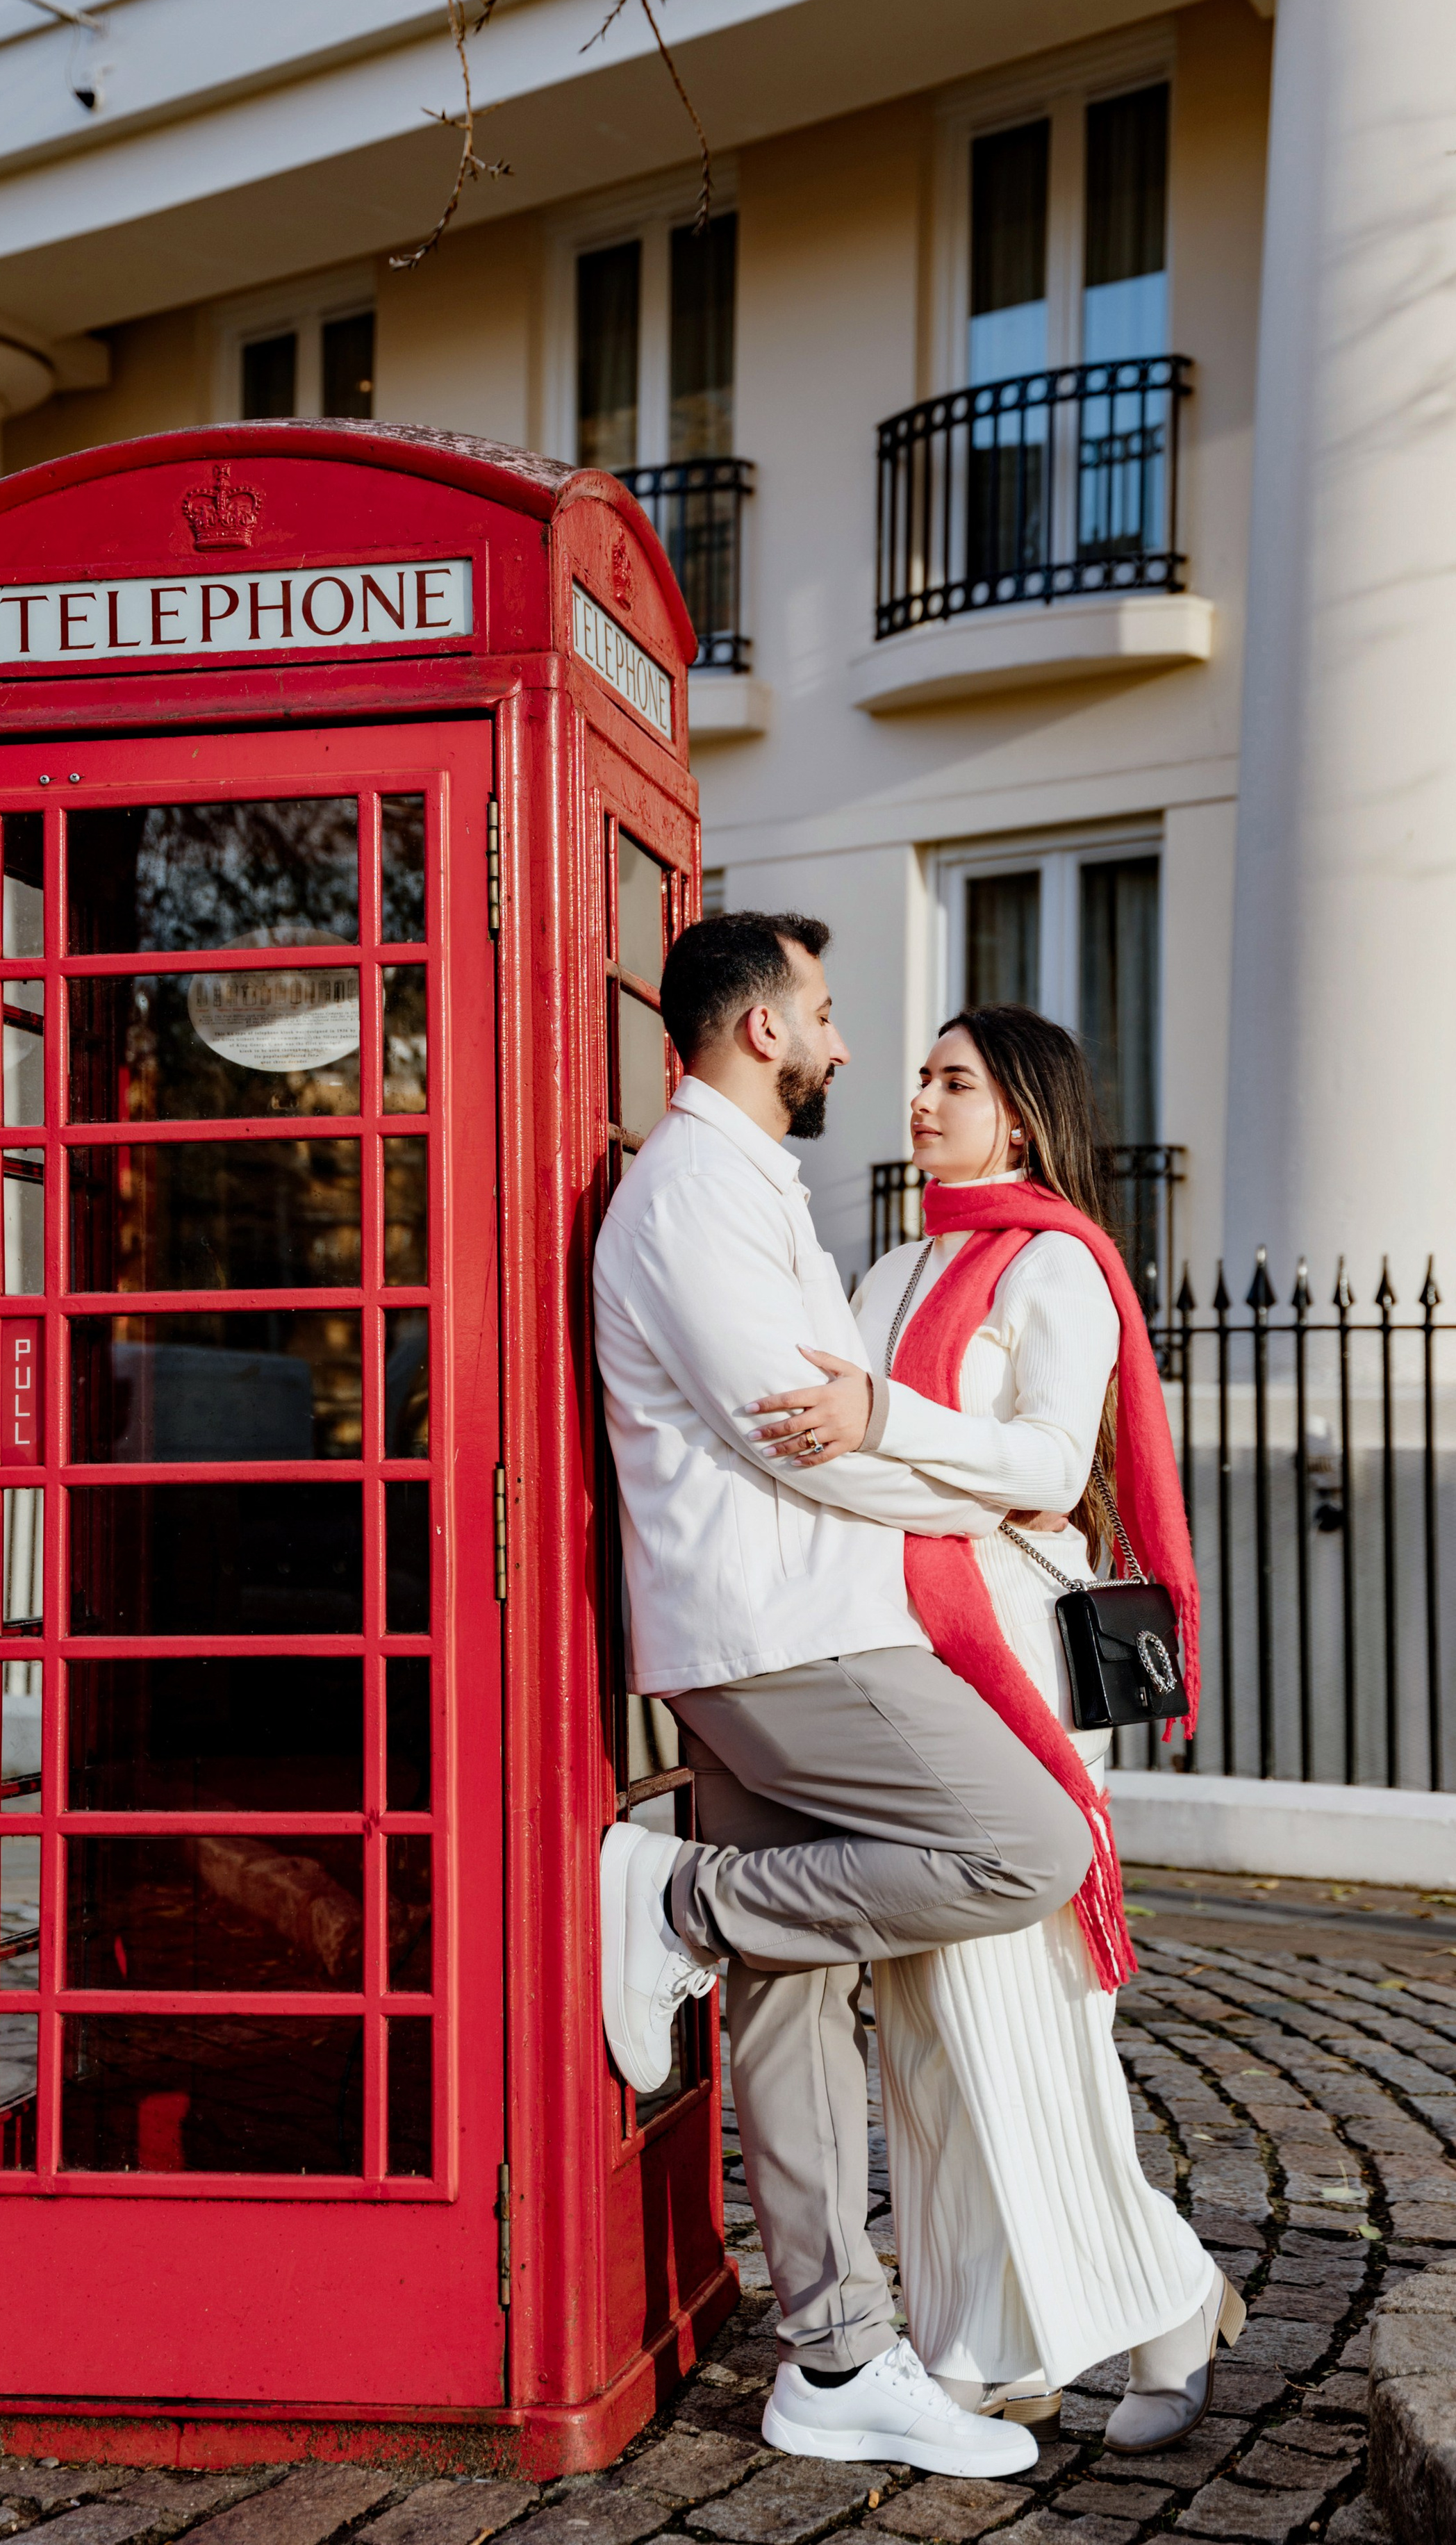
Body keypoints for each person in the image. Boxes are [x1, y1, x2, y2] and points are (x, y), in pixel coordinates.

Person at [593, 914, 1093, 2479]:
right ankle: (679, 1900)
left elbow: (839, 1420)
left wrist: (894, 1435)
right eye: (823, 1008)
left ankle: (834, 2356)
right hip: (780, 1635)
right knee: (1027, 1843)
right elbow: (787, 1430)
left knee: (793, 2002)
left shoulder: (750, 1189)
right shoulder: (687, 1196)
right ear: (759, 1030)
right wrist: (966, 1479)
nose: (846, 1043)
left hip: (793, 1616)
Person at [747, 1003, 1241, 2455]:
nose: (915, 1096)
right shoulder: (892, 1262)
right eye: (916, 1074)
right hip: (894, 1645)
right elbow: (822, 1445)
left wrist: (884, 1430)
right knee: (923, 2021)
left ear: (1017, 1113)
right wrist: (887, 1451)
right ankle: (980, 2338)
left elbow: (1038, 1463)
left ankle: (1151, 2302)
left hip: (1006, 1656)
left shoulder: (1055, 1265)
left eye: (950, 1080)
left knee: (1014, 2014)